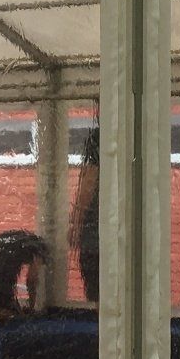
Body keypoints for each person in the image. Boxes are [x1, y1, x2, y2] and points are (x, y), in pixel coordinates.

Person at [0, 229, 49, 321]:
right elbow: (31, 280)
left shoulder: (31, 244)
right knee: (10, 311)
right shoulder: (39, 251)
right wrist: (32, 307)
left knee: (7, 304)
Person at [69, 125, 100, 303]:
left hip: (96, 229)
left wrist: (76, 223)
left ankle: (100, 315)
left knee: (97, 284)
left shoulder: (100, 136)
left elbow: (89, 179)